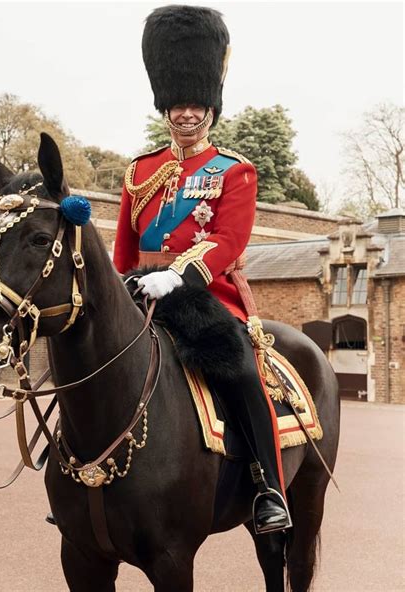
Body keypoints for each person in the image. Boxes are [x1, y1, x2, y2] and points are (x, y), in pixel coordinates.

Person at [113, 5, 291, 534]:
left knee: (238, 368)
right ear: (165, 108)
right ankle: (78, 477)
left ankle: (268, 490)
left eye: (196, 105)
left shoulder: (234, 170)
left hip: (203, 296)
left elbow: (231, 239)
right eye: (177, 105)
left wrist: (180, 276)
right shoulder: (140, 170)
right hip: (140, 289)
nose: (187, 114)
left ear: (211, 107)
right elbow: (124, 248)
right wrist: (125, 283)